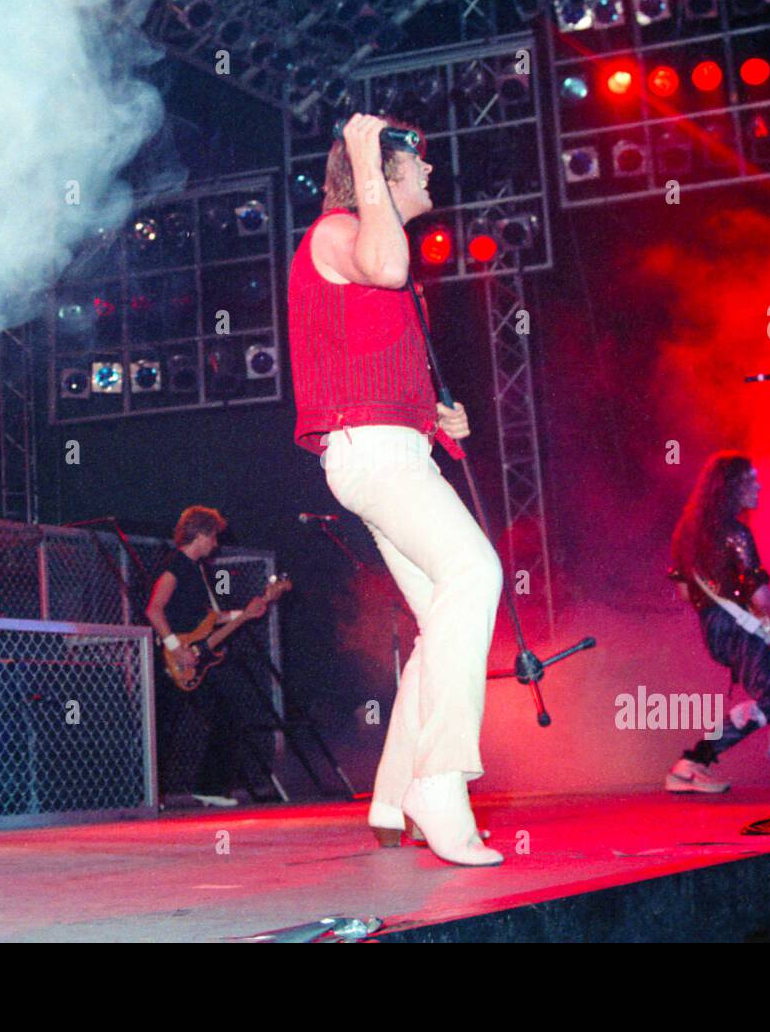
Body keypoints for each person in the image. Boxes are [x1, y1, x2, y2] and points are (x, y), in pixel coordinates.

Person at [288, 112, 504, 866]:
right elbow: (381, 266)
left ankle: (391, 793)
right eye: (419, 166)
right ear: (382, 175)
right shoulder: (336, 232)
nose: (431, 177)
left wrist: (436, 418)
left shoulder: (373, 246)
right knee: (477, 573)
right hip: (375, 458)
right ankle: (440, 779)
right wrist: (359, 153)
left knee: (441, 616)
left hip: (392, 450)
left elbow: (368, 358)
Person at [665, 452, 770, 792]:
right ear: (731, 488)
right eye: (750, 480)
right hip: (739, 628)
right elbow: (763, 601)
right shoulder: (736, 534)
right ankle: (691, 764)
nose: (758, 485)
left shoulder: (688, 532)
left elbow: (685, 591)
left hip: (717, 629)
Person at [146, 505, 266, 807]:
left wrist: (245, 613)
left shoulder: (199, 570)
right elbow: (154, 609)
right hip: (173, 660)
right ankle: (150, 795)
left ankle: (209, 787)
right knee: (162, 727)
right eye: (213, 536)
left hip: (196, 659)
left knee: (227, 716)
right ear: (200, 534)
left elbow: (211, 618)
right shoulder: (175, 565)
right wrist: (176, 648)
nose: (216, 543)